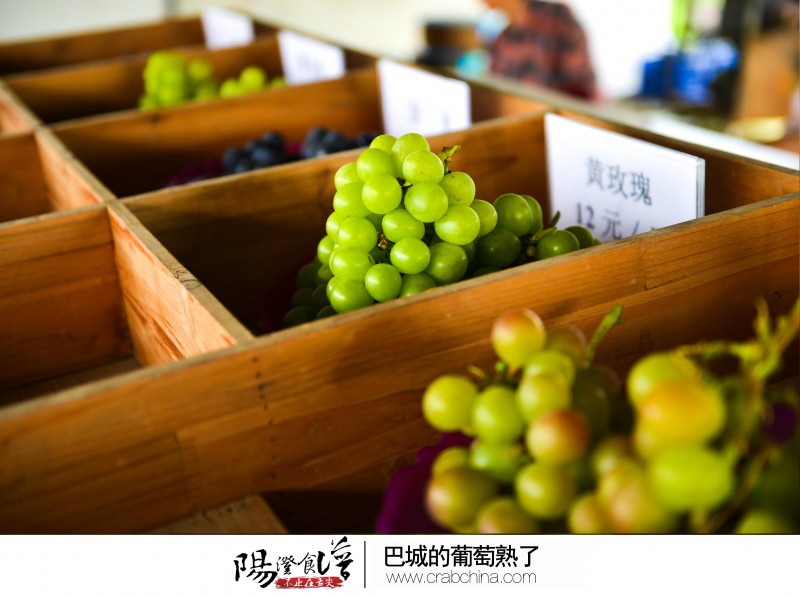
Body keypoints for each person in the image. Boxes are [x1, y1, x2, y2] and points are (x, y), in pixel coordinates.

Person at [482, 0, 599, 100]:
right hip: (519, 115)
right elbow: (494, 86)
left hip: (561, 115)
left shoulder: (558, 17)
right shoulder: (505, 37)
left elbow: (583, 88)